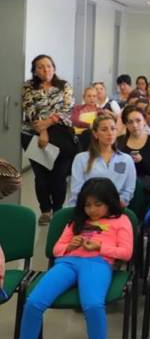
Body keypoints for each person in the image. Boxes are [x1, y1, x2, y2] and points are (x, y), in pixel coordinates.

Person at [19, 177, 133, 339]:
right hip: (67, 263)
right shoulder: (77, 220)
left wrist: (99, 247)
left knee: (93, 305)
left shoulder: (121, 220)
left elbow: (126, 253)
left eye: (98, 205)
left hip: (97, 263)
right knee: (33, 303)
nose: (92, 210)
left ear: (110, 202)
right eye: (87, 205)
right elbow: (56, 249)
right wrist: (69, 246)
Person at [21, 55, 77, 223]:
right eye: (40, 67)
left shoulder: (64, 85)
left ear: (54, 68)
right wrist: (43, 131)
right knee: (41, 176)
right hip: (33, 135)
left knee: (59, 176)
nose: (46, 69)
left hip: (61, 135)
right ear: (35, 71)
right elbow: (30, 109)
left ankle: (58, 210)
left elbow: (67, 107)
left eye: (49, 66)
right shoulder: (28, 87)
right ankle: (45, 210)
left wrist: (48, 123)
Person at [69, 113, 136, 207]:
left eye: (113, 129)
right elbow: (77, 190)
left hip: (115, 207)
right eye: (104, 129)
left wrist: (117, 203)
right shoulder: (81, 159)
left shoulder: (126, 159)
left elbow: (128, 190)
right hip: (87, 207)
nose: (110, 133)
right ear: (95, 134)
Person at [118, 105, 150, 219]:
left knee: (137, 185)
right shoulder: (120, 142)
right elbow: (116, 168)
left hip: (146, 183)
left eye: (138, 121)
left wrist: (141, 161)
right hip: (123, 181)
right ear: (126, 124)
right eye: (130, 122)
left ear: (144, 121)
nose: (135, 125)